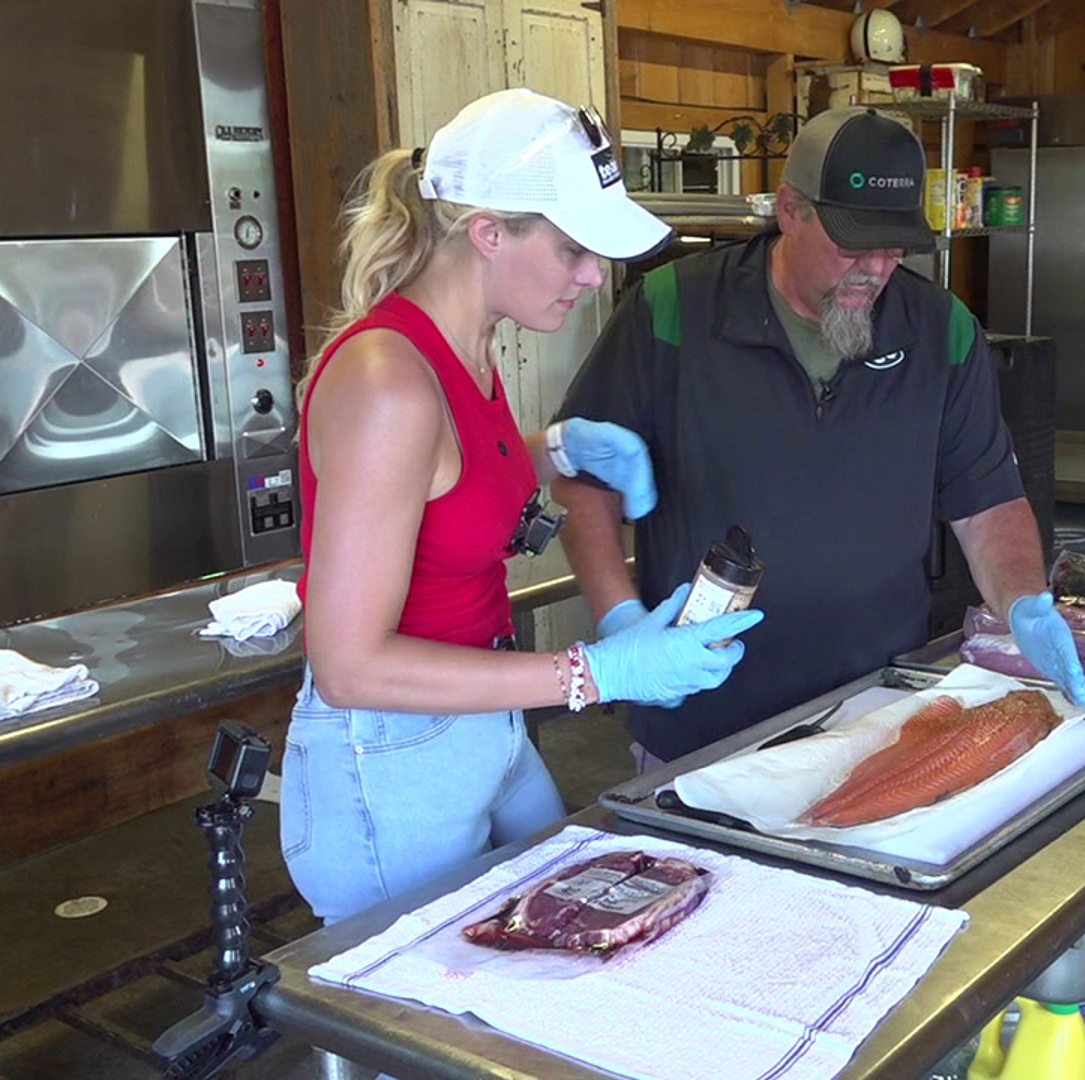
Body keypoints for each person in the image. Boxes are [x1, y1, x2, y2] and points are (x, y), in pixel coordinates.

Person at [280, 88, 765, 925]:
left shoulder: (468, 348)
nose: (592, 276)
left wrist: (556, 448)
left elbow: (443, 481)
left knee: (575, 918)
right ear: (488, 232)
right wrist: (594, 672)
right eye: (574, 249)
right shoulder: (387, 378)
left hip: (482, 719)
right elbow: (348, 663)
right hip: (391, 748)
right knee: (434, 1029)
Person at [552, 106, 1085, 770]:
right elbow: (583, 482)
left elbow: (987, 502)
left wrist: (1022, 600)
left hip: (879, 709)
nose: (876, 268)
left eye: (894, 247)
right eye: (852, 243)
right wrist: (620, 624)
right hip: (704, 710)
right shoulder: (673, 311)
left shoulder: (940, 330)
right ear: (788, 210)